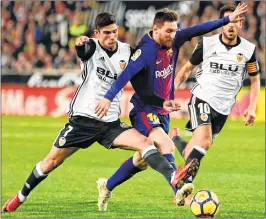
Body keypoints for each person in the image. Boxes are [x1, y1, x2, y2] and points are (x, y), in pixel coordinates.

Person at [1, 12, 196, 213]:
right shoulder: (91, 47)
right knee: (50, 162)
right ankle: (20, 197)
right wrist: (79, 44)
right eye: (106, 33)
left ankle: (174, 179)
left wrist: (162, 102)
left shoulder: (127, 52)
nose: (112, 37)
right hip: (83, 121)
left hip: (110, 124)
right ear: (97, 33)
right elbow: (82, 51)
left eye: (114, 32)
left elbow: (142, 89)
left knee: (146, 143)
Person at [95, 4, 248, 209]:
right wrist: (107, 97)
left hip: (163, 111)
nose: (173, 35)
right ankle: (179, 189)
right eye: (168, 31)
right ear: (156, 29)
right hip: (144, 110)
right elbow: (125, 76)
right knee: (167, 145)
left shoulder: (174, 38)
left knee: (142, 160)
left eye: (175, 30)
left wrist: (226, 20)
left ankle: (107, 186)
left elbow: (199, 29)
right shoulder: (145, 51)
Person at [170, 4, 260, 205]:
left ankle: (175, 139)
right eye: (227, 21)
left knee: (193, 151)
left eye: (235, 21)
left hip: (224, 107)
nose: (231, 25)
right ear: (222, 24)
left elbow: (255, 80)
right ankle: (181, 181)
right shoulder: (207, 44)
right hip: (202, 97)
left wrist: (252, 106)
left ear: (240, 23)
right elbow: (186, 70)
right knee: (205, 141)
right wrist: (172, 92)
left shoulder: (248, 50)